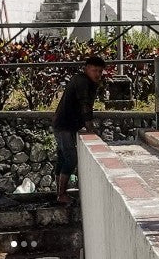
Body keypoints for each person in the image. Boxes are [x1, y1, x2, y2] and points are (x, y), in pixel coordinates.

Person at [52, 55, 105, 206]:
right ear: (86, 68)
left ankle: (60, 193)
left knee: (63, 157)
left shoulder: (84, 80)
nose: (97, 74)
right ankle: (61, 194)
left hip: (64, 124)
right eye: (95, 70)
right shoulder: (82, 82)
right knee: (70, 159)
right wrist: (90, 128)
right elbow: (85, 105)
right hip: (64, 125)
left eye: (100, 71)